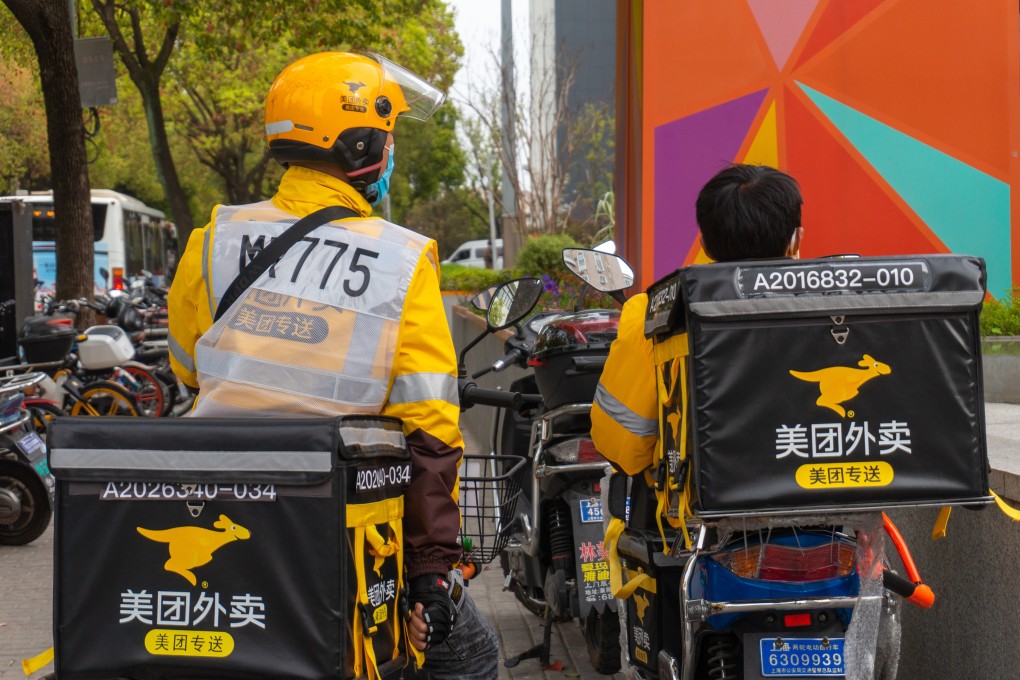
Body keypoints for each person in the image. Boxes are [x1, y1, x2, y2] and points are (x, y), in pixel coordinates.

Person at [167, 52, 499, 679]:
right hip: (339, 532)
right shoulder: (401, 260)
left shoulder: (215, 236)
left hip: (215, 512)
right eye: (389, 137)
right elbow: (429, 431)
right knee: (472, 655)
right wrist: (432, 570)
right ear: (363, 147)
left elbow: (187, 367)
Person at [591, 163, 804, 482]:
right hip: (826, 498)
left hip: (700, 514)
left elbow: (623, 445)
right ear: (796, 240)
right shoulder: (845, 304)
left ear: (704, 244)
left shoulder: (655, 312)